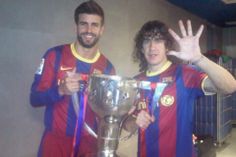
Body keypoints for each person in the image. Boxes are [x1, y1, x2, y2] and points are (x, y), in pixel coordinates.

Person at [124, 20, 236, 157]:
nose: (152, 47)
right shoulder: (135, 82)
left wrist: (199, 59)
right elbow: (126, 124)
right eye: (147, 41)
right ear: (141, 47)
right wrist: (135, 122)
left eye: (158, 40)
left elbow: (230, 86)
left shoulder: (184, 74)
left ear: (167, 47)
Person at [30, 1, 115, 157]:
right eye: (84, 24)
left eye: (95, 25)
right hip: (55, 143)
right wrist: (60, 90)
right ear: (76, 27)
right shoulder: (55, 55)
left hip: (88, 146)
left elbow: (107, 113)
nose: (89, 30)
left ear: (102, 30)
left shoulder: (108, 68)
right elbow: (34, 99)